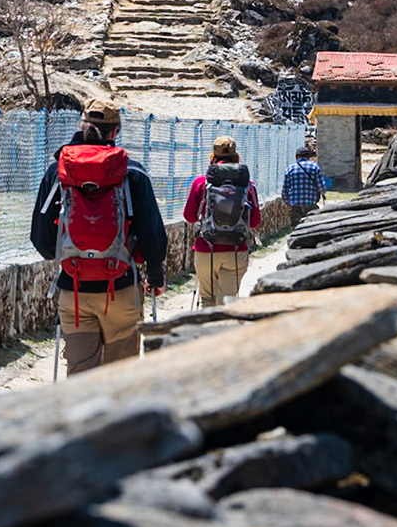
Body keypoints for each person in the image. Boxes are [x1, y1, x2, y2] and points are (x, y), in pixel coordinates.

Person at [30, 98, 166, 373]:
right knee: (120, 376)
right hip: (122, 288)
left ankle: (82, 417)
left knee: (81, 374)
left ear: (82, 126)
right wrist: (155, 275)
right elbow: (153, 234)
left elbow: (40, 236)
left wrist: (69, 255)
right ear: (115, 132)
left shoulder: (59, 171)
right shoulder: (133, 173)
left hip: (74, 289)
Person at [183, 135, 261, 306]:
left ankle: (208, 332)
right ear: (236, 156)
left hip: (205, 249)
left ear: (213, 156)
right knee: (227, 303)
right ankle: (225, 331)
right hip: (236, 249)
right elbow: (255, 221)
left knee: (207, 301)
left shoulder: (201, 183)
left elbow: (189, 216)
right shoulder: (248, 184)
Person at [282, 144, 327, 226]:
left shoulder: (290, 169)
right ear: (308, 156)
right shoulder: (314, 167)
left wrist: (288, 202)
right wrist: (322, 193)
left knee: (296, 227)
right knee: (311, 227)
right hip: (310, 203)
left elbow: (285, 190)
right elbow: (321, 187)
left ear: (296, 157)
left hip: (295, 204)